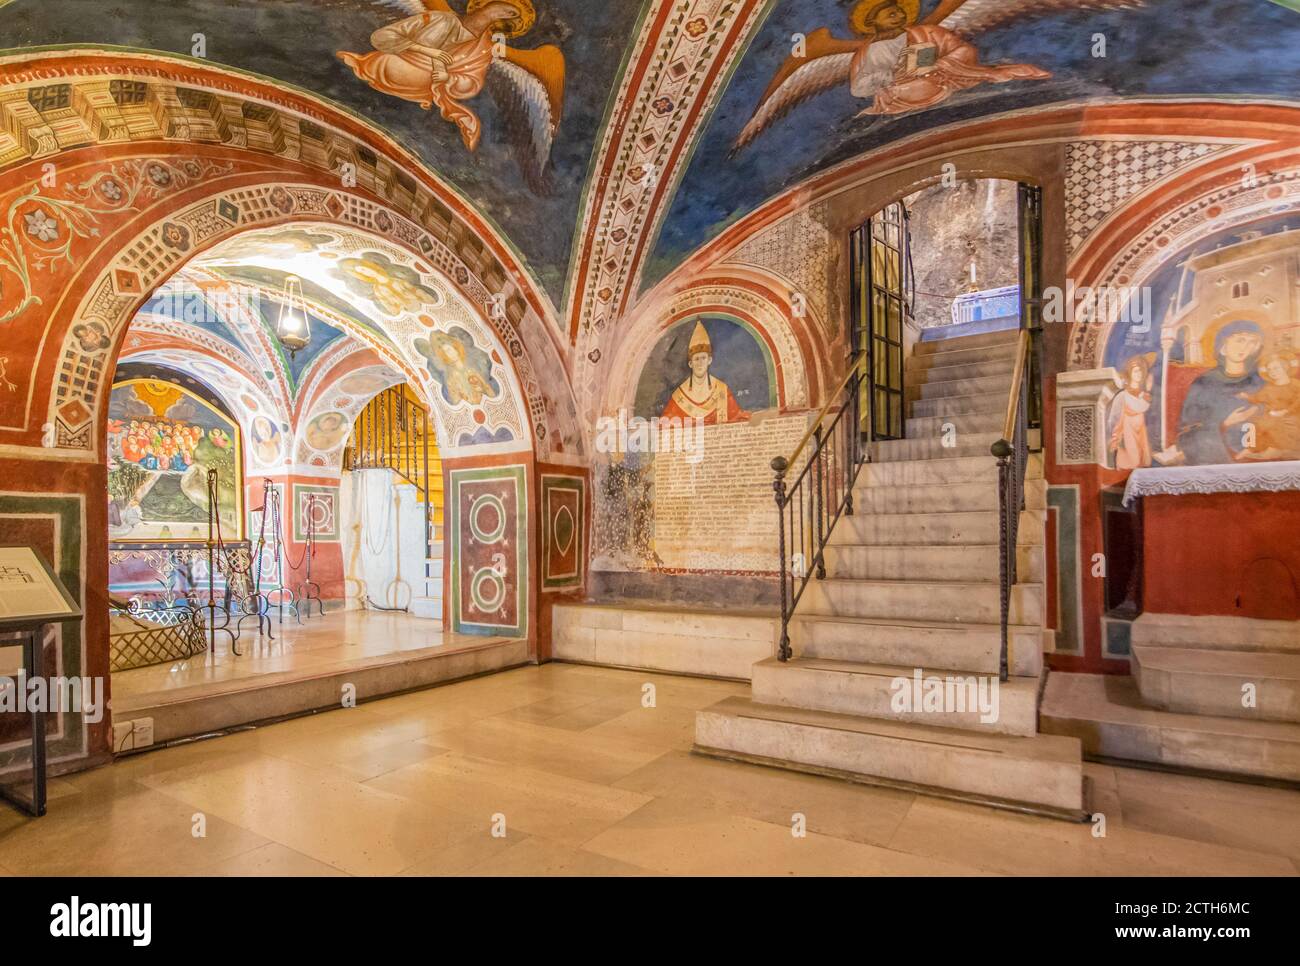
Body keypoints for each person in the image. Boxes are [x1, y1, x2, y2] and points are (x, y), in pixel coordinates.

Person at [338, 1, 528, 150]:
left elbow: (473, 82)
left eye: (512, 14)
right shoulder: (440, 19)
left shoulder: (483, 48)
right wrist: (428, 51)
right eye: (505, 7)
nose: (507, 14)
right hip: (385, 67)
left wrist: (449, 78)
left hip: (423, 90)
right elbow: (381, 37)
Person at [1174, 320, 1266, 465]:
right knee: (1198, 439)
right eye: (1240, 340)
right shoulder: (1204, 382)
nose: (1245, 347)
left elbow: (1274, 407)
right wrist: (1225, 423)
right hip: (1215, 443)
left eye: (1251, 343)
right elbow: (1188, 423)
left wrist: (1255, 410)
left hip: (1252, 441)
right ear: (1223, 346)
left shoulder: (1257, 380)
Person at [660, 321, 748, 425]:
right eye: (696, 359)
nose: (700, 363)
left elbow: (736, 418)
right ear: (690, 363)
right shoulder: (679, 396)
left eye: (703, 358)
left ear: (709, 360)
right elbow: (665, 424)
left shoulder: (722, 390)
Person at [1107, 355, 1154, 470]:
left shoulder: (1145, 396)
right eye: (1136, 371)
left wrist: (1147, 390)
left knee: (1142, 461)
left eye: (1141, 371)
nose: (1139, 374)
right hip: (1127, 434)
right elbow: (1113, 418)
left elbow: (1145, 411)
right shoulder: (1123, 396)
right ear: (1130, 373)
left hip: (1140, 434)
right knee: (1133, 462)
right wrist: (1116, 435)